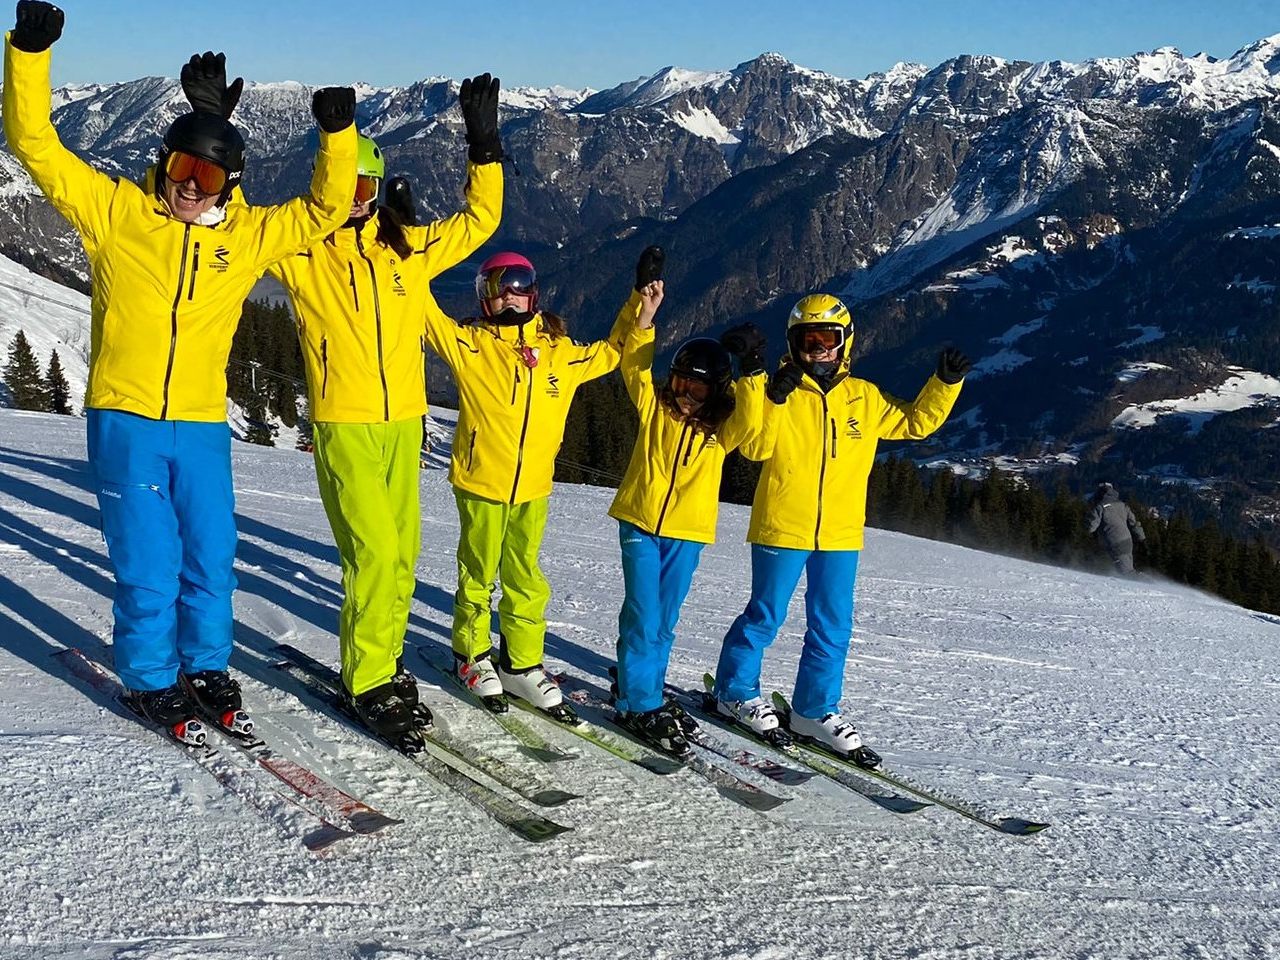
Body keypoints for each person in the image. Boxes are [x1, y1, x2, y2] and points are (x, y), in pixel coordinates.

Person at [4, 4, 358, 742]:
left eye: (207, 174)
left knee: (211, 554)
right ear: (161, 166)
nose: (189, 186)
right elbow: (34, 142)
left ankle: (204, 664)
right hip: (126, 417)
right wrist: (29, 54)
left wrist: (337, 136)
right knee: (148, 558)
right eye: (179, 168)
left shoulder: (250, 236)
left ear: (229, 184)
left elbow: (327, 206)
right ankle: (151, 677)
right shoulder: (117, 214)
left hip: (200, 422)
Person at [240, 76, 502, 742]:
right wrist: (220, 129)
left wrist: (484, 144)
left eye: (365, 190)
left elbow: (481, 222)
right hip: (345, 424)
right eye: (344, 188)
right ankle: (366, 679)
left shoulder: (406, 250)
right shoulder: (304, 254)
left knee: (404, 557)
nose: (354, 203)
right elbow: (241, 229)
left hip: (403, 422)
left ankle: (384, 662)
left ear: (379, 192)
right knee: (374, 555)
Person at [711, 293, 971, 763]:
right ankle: (735, 691)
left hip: (840, 532)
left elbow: (913, 423)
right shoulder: (780, 391)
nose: (818, 349)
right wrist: (772, 398)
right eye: (807, 340)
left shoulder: (864, 398)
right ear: (793, 344)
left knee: (832, 626)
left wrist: (945, 384)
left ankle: (813, 709)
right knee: (764, 616)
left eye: (827, 339)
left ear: (844, 342)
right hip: (782, 526)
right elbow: (755, 448)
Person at [422, 250, 630, 719]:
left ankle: (520, 661)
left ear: (533, 293)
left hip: (533, 486)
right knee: (478, 574)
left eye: (519, 285)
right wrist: (401, 252)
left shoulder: (559, 352)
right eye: (500, 287)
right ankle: (470, 654)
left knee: (525, 577)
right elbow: (423, 312)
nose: (510, 295)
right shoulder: (471, 345)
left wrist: (640, 303)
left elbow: (614, 351)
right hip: (481, 481)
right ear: (485, 297)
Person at [607, 247, 767, 756]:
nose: (685, 396)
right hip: (639, 523)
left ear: (716, 392)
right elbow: (634, 364)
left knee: (665, 619)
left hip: (687, 532)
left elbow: (754, 421)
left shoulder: (721, 431)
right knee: (642, 614)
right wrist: (645, 311)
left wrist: (755, 368)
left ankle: (643, 688)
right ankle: (638, 701)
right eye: (679, 383)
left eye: (697, 390)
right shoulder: (655, 409)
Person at [1086, 482, 1146, 575]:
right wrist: (1141, 537)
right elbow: (1134, 523)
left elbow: (1091, 527)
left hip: (1114, 543)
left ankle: (1150, 586)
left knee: (1126, 573)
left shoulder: (1100, 507)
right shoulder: (1123, 505)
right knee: (1128, 568)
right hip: (1128, 540)